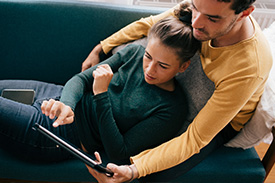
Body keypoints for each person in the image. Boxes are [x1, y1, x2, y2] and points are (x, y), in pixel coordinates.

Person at [83, 0, 273, 182]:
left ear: (245, 13)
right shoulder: (200, 9)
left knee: (154, 174)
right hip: (182, 90)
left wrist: (134, 170)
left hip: (224, 123)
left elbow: (196, 138)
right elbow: (148, 25)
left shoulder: (249, 66)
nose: (196, 22)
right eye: (196, 8)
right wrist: (102, 47)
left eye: (212, 19)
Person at [0, 11, 200, 165]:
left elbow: (119, 153)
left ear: (183, 66)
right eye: (148, 56)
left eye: (163, 66)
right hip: (56, 96)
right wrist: (67, 105)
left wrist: (101, 94)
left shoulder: (172, 109)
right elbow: (80, 80)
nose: (149, 68)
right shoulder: (134, 53)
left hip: (60, 136)